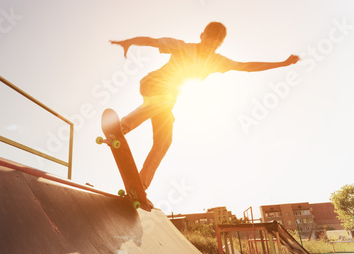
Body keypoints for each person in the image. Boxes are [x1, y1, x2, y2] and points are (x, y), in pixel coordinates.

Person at [110, 22, 300, 191]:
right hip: (152, 84)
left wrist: (282, 64)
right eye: (209, 40)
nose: (211, 46)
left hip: (164, 102)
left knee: (164, 141)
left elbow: (247, 66)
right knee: (165, 99)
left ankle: (140, 187)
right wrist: (129, 41)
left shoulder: (217, 61)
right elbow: (152, 41)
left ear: (219, 44)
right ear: (202, 36)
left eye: (216, 43)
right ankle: (123, 126)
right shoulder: (181, 46)